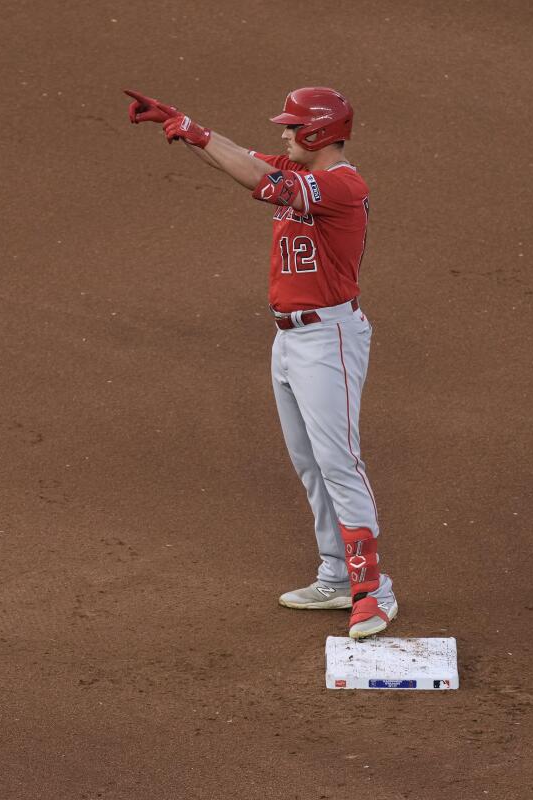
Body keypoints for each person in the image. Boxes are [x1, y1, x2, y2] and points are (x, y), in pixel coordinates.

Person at [125, 87, 397, 639]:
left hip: (329, 340)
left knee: (339, 461)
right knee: (309, 462)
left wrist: (195, 133)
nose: (284, 134)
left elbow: (259, 181)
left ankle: (373, 589)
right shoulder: (305, 173)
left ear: (318, 134)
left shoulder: (341, 185)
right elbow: (248, 161)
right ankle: (337, 575)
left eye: (293, 127)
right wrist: (183, 123)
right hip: (291, 341)